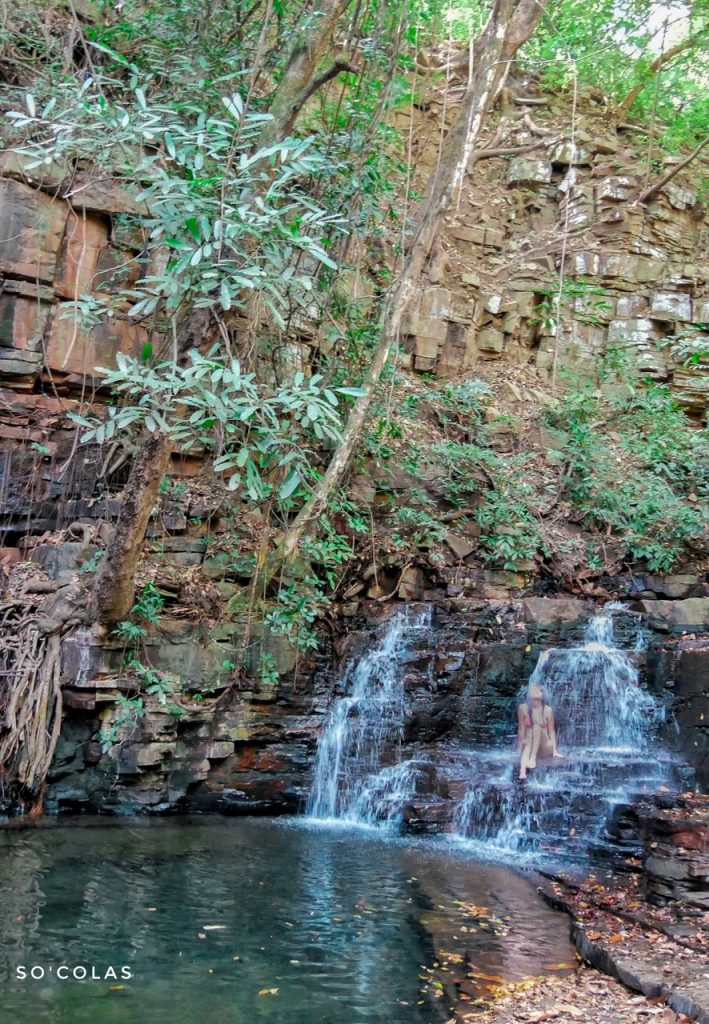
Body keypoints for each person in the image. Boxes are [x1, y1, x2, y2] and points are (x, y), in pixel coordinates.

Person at [516, 684, 563, 780]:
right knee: (528, 741)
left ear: (542, 696)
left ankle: (532, 758)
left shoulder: (548, 710)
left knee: (536, 727)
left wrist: (555, 751)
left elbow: (551, 732)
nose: (535, 700)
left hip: (545, 746)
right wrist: (519, 749)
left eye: (537, 697)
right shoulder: (523, 708)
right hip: (530, 742)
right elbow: (521, 730)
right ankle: (522, 771)